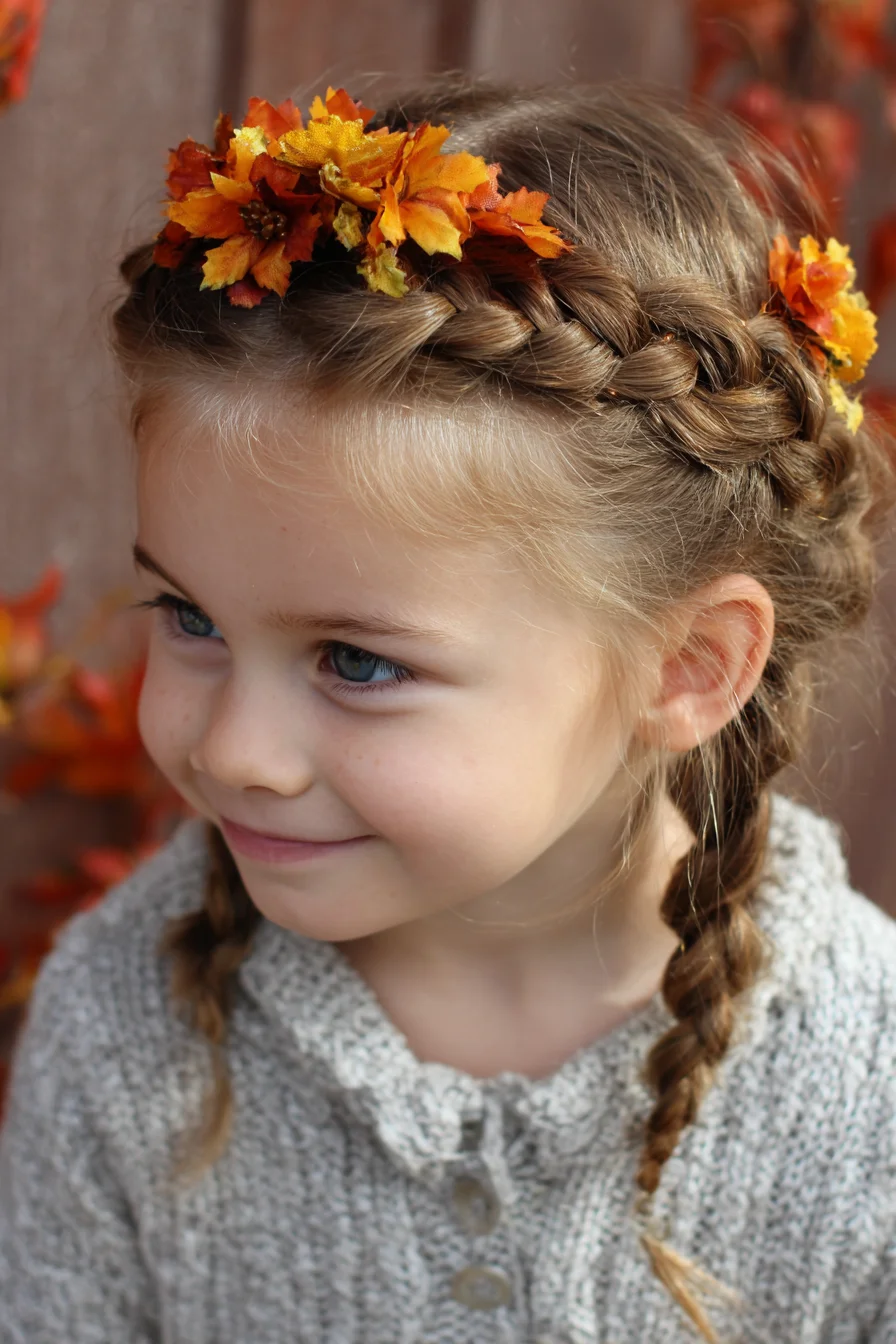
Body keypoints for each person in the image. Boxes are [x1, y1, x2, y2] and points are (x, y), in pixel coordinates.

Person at [1, 76, 894, 1344]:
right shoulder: (122, 1025)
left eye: (356, 663)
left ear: (686, 666)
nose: (235, 753)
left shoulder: (865, 1095)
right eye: (191, 618)